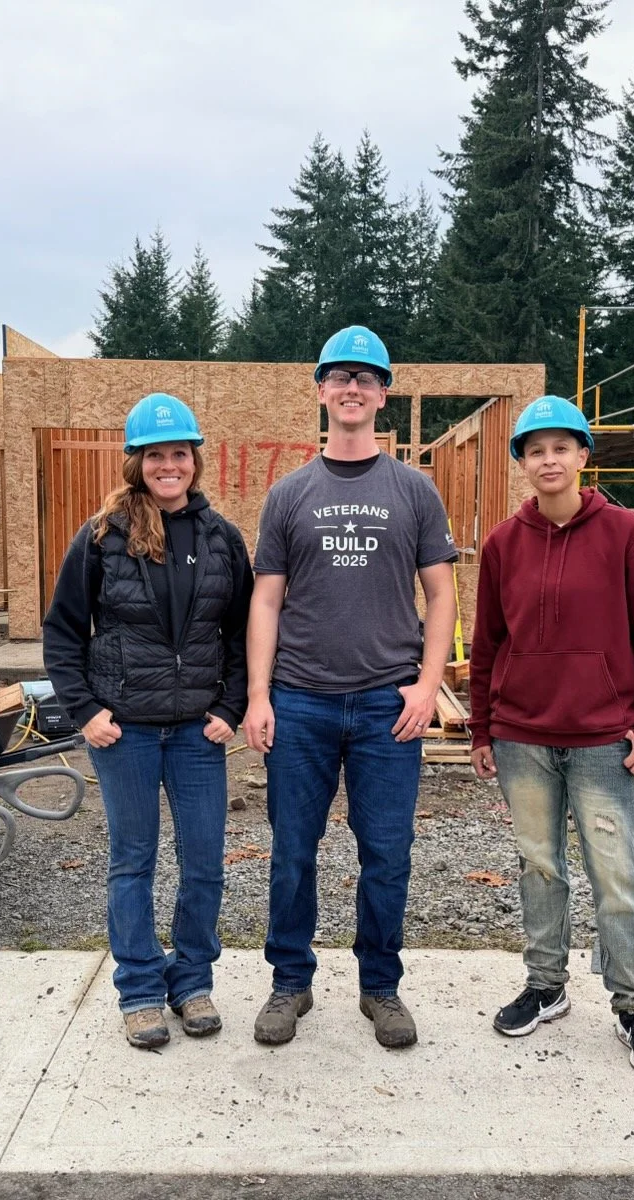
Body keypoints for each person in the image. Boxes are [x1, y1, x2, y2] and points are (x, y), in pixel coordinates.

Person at [242, 325, 458, 1050]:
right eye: (340, 376)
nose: (353, 388)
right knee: (292, 851)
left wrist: (428, 685)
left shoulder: (414, 490)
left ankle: (381, 988)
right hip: (300, 701)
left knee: (387, 852)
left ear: (383, 393)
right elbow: (265, 600)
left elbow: (443, 596)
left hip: (386, 706)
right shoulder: (289, 494)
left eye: (367, 377)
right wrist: (259, 695)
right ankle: (289, 982)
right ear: (322, 391)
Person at [468, 395, 634, 1075]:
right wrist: (482, 726)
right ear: (523, 465)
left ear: (583, 457)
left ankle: (633, 1003)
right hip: (523, 738)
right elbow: (488, 642)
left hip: (602, 741)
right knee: (539, 866)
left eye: (561, 447)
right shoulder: (504, 544)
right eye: (535, 450)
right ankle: (546, 985)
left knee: (616, 875)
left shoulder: (626, 536)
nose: (549, 460)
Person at [43, 392, 253, 1050]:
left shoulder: (221, 538)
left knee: (205, 863)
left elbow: (246, 632)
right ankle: (139, 990)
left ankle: (190, 982)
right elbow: (64, 631)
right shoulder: (102, 535)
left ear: (194, 460)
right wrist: (87, 711)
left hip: (196, 733)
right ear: (138, 462)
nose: (170, 465)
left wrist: (230, 708)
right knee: (132, 861)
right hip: (124, 732)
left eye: (180, 454)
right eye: (156, 454)